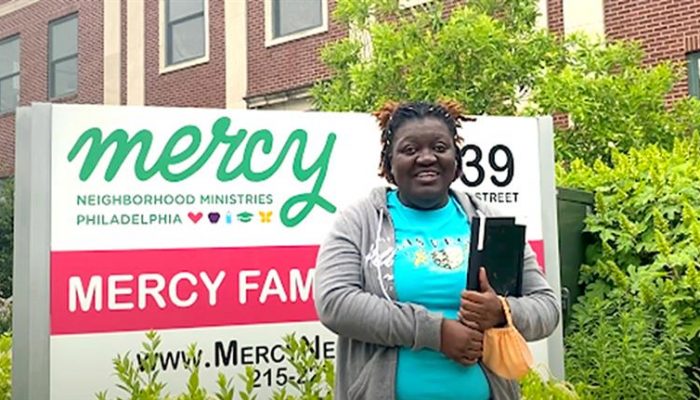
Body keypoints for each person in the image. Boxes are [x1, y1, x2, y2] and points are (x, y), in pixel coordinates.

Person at [313, 100, 560, 400]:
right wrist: (437, 333)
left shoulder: (490, 223)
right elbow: (335, 302)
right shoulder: (359, 222)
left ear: (456, 160)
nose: (426, 157)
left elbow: (547, 307)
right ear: (389, 163)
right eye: (410, 149)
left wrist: (501, 312)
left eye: (440, 147)